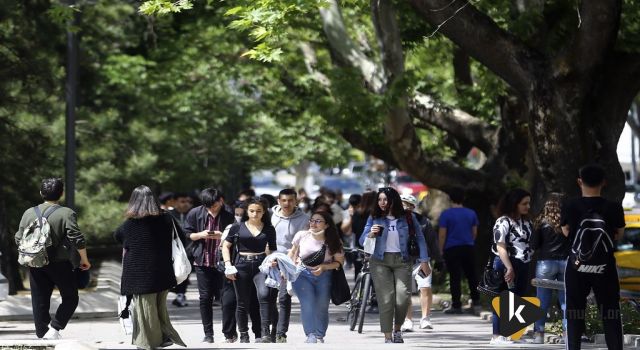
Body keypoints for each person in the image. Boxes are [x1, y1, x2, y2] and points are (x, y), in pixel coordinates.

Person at [15, 178, 91, 340]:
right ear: (61, 193)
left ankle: (43, 334)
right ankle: (55, 327)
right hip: (59, 263)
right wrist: (84, 260)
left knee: (39, 300)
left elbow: (18, 238)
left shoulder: (28, 213)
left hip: (34, 263)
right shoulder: (66, 213)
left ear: (41, 193)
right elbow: (77, 239)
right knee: (70, 297)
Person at [114, 185, 186, 350]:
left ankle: (148, 344)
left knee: (145, 311)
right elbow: (181, 237)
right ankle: (162, 338)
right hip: (163, 272)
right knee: (159, 308)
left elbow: (118, 236)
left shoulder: (130, 224)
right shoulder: (166, 218)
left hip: (140, 275)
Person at [561, 164, 624, 350]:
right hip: (605, 268)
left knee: (574, 313)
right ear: (603, 182)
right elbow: (618, 234)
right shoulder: (613, 207)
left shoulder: (570, 205)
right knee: (610, 312)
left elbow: (566, 232)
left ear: (579, 181)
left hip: (576, 267)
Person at [359, 187, 431, 344]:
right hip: (379, 261)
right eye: (379, 200)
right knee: (386, 299)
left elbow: (420, 239)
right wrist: (370, 233)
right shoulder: (374, 217)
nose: (382, 203)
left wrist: (424, 261)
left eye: (385, 199)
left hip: (402, 261)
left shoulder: (408, 217)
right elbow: (361, 239)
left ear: (394, 200)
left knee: (402, 297)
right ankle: (387, 335)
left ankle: (397, 329)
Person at [222, 197, 278, 343]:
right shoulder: (237, 227)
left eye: (259, 211)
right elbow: (226, 246)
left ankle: (265, 332)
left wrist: (272, 260)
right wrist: (228, 265)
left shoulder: (269, 229)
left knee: (264, 295)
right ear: (247, 211)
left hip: (261, 265)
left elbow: (272, 250)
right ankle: (244, 334)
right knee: (242, 301)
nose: (255, 214)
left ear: (264, 212)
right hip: (241, 265)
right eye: (252, 211)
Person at [184, 188, 235, 343]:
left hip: (222, 262)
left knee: (226, 299)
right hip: (202, 262)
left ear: (221, 200)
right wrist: (201, 234)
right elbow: (187, 233)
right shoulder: (195, 213)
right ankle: (208, 334)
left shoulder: (228, 214)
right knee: (205, 298)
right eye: (208, 206)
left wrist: (223, 235)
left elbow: (235, 236)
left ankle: (229, 333)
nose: (212, 209)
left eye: (214, 205)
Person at [289, 210, 345, 343]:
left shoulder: (334, 241)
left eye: (318, 221)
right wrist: (288, 269)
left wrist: (324, 267)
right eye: (312, 220)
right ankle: (310, 334)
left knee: (321, 306)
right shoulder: (301, 235)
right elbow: (292, 253)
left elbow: (339, 263)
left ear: (326, 225)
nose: (313, 223)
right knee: (307, 303)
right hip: (302, 273)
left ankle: (319, 334)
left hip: (325, 275)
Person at [489, 188, 532, 345]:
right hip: (505, 263)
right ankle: (496, 335)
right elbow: (500, 246)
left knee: (517, 299)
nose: (527, 207)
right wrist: (509, 267)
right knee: (502, 298)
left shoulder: (526, 222)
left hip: (523, 263)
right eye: (524, 203)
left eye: (528, 203)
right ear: (514, 204)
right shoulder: (503, 221)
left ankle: (513, 334)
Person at [270, 188, 310, 343]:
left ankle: (281, 332)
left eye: (291, 200)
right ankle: (272, 327)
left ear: (296, 201)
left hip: (290, 262)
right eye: (284, 200)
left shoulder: (304, 219)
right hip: (270, 260)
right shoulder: (270, 217)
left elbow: (303, 243)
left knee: (284, 297)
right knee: (267, 296)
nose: (287, 203)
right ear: (278, 201)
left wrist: (292, 263)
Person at [400, 194, 442, 331]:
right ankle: (408, 320)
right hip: (403, 262)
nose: (404, 206)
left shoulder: (423, 222)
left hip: (421, 261)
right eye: (401, 203)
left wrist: (439, 259)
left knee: (425, 288)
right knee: (405, 292)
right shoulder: (395, 221)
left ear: (413, 207)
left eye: (407, 203)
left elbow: (432, 242)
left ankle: (425, 318)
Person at [531, 192, 569, 344]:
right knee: (566, 301)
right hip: (565, 263)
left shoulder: (541, 222)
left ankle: (539, 334)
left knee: (542, 300)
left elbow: (534, 245)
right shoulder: (567, 222)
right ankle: (567, 335)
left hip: (545, 263)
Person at [438, 187, 481, 314]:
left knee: (454, 277)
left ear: (450, 199)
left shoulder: (446, 214)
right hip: (468, 246)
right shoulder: (471, 213)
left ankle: (456, 305)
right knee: (472, 275)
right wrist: (469, 241)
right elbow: (474, 232)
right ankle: (476, 300)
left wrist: (440, 249)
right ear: (464, 198)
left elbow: (442, 234)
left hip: (451, 248)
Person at [169, 192, 192, 308]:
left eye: (188, 202)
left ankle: (181, 294)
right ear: (176, 202)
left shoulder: (192, 214)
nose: (186, 204)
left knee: (184, 272)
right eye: (183, 201)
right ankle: (177, 293)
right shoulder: (169, 215)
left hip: (188, 250)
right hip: (172, 250)